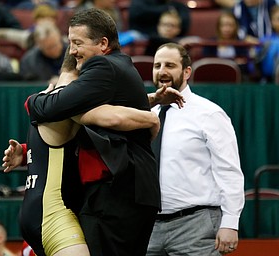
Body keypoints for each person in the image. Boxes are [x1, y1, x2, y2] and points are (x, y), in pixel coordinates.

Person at [23, 8, 171, 256]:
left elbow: (54, 108)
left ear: (103, 43)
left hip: (117, 193)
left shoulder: (103, 66)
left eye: (77, 43)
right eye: (70, 43)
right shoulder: (118, 66)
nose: (72, 50)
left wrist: (34, 100)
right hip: (128, 192)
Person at [146, 42, 245, 255]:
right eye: (157, 65)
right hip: (147, 228)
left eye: (170, 65)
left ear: (187, 71)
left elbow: (228, 170)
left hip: (196, 226)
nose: (162, 71)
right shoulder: (146, 114)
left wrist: (230, 222)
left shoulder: (209, 113)